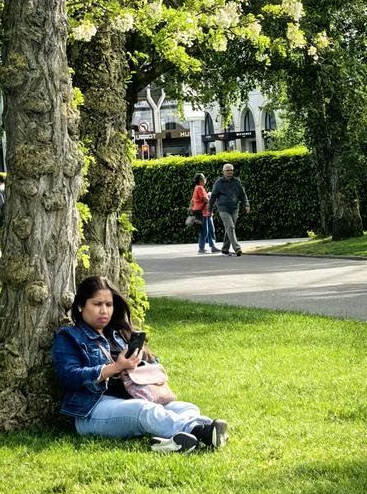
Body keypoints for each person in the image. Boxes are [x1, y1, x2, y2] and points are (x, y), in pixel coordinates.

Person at [52, 276, 228, 453]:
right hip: (93, 410)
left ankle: (172, 443)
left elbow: (153, 365)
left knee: (187, 407)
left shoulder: (119, 334)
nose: (104, 310)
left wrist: (139, 362)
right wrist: (115, 367)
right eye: (97, 304)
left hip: (134, 397)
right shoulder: (69, 336)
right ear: (81, 306)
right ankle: (201, 431)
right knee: (145, 410)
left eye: (109, 304)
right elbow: (68, 376)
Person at [208, 163, 250, 257]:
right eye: (227, 170)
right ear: (223, 172)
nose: (230, 171)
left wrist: (246, 204)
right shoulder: (219, 182)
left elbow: (242, 194)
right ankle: (237, 248)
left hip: (235, 208)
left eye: (231, 170)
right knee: (231, 227)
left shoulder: (237, 181)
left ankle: (225, 249)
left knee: (229, 228)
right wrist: (209, 209)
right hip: (223, 208)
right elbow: (213, 196)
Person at [191, 173, 219, 254]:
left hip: (207, 213)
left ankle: (213, 247)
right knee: (205, 231)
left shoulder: (199, 188)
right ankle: (201, 248)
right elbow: (206, 200)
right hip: (202, 213)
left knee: (211, 230)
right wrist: (210, 196)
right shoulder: (199, 188)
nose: (205, 179)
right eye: (204, 178)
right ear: (200, 180)